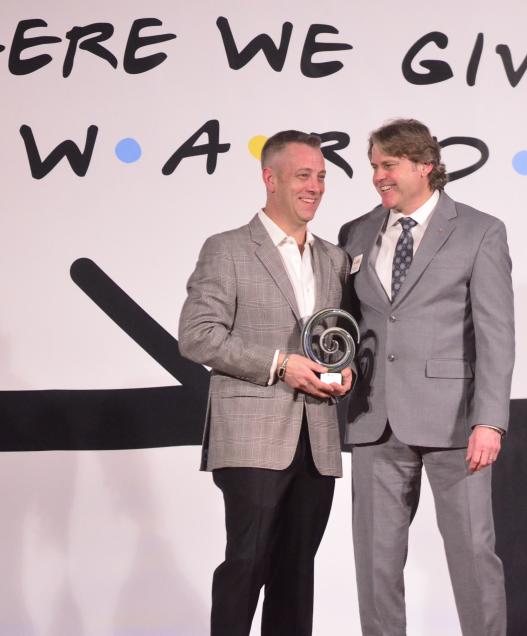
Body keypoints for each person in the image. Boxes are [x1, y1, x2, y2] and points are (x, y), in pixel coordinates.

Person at [338, 118, 515, 636]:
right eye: (373, 167)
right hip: (374, 419)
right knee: (374, 565)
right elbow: (347, 323)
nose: (378, 177)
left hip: (456, 425)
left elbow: (496, 334)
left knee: (473, 556)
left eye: (388, 166)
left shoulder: (480, 230)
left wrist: (491, 421)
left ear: (425, 166)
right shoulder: (358, 231)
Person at [178, 130, 353, 636]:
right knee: (247, 565)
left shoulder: (335, 258)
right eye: (304, 175)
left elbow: (343, 340)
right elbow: (197, 336)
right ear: (269, 178)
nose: (315, 187)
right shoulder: (228, 249)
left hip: (317, 439)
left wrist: (345, 373)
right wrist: (281, 364)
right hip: (252, 436)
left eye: (321, 177)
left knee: (297, 575)